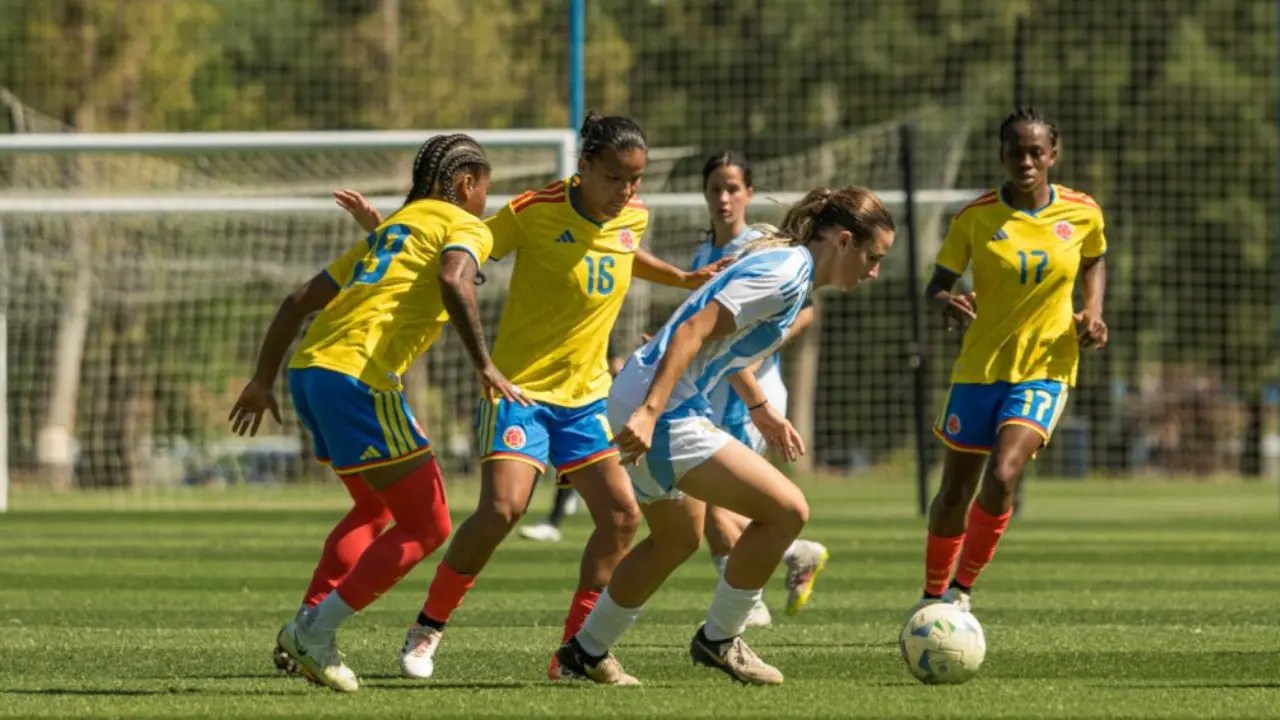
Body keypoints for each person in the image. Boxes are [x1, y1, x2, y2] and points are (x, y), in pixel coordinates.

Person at [332, 112, 728, 681]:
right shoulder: (532, 211)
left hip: (589, 397)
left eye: (635, 181)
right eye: (616, 178)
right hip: (519, 390)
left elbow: (620, 252)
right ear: (585, 165)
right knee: (502, 509)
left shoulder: (633, 217)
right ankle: (428, 626)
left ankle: (576, 653)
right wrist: (385, 230)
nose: (628, 191)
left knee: (621, 519)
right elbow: (459, 247)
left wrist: (682, 279)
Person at [554, 187, 896, 686]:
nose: (874, 271)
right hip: (661, 405)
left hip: (644, 392)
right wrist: (650, 413)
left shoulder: (788, 268)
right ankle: (720, 639)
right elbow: (693, 329)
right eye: (873, 257)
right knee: (787, 511)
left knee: (676, 539)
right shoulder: (785, 273)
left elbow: (721, 340)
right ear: (844, 241)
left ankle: (583, 653)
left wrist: (759, 408)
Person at [230, 134, 522, 693]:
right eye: (484, 189)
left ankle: (309, 621)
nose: (486, 202)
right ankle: (313, 632)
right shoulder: (468, 227)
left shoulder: (394, 229)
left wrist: (262, 379)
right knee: (428, 524)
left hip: (309, 373)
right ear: (465, 186)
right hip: (358, 380)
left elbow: (297, 302)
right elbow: (451, 277)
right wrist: (484, 363)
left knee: (371, 507)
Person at [915, 107, 1108, 614]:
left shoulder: (1082, 212)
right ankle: (931, 595)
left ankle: (961, 592)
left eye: (1035, 152)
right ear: (1001, 155)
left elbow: (1093, 258)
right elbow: (936, 286)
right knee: (955, 492)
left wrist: (1093, 312)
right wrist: (946, 302)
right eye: (1015, 151)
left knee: (1002, 475)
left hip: (1046, 367)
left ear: (1053, 155)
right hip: (979, 370)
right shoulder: (975, 217)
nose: (1025, 160)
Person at [692, 151, 828, 627]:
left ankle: (749, 598)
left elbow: (806, 309)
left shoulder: (763, 244)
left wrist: (766, 337)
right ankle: (791, 556)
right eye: (716, 188)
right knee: (709, 503)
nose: (724, 197)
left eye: (733, 188)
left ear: (748, 192)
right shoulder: (702, 253)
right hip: (713, 389)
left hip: (752, 394)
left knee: (712, 503)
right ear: (705, 193)